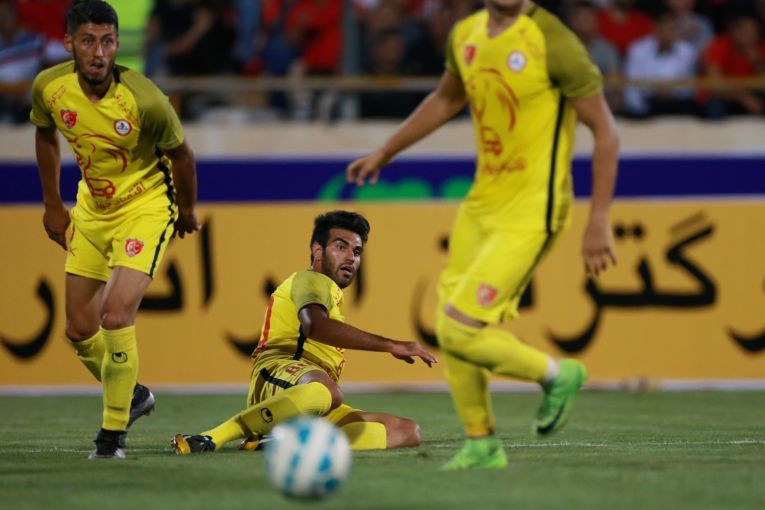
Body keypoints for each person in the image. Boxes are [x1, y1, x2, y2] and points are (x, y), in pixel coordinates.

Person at [347, 0, 619, 470]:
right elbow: (446, 99)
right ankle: (481, 443)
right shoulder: (466, 34)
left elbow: (607, 132)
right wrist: (387, 151)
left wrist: (599, 218)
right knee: (448, 326)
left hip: (533, 209)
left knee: (457, 327)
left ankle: (557, 374)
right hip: (481, 205)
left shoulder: (553, 40)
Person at [29, 0, 200, 459]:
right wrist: (53, 205)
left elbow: (183, 157)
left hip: (146, 206)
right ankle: (135, 394)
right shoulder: (50, 87)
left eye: (107, 41)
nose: (99, 52)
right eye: (88, 41)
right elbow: (45, 136)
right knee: (79, 330)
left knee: (116, 315)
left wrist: (185, 211)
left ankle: (111, 437)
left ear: (118, 44)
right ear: (70, 44)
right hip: (91, 210)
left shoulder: (145, 98)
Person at [172, 210, 437, 454]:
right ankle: (213, 437)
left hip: (311, 399)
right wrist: (391, 345)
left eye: (357, 251)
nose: (351, 257)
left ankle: (286, 441)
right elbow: (315, 326)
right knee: (329, 391)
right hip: (279, 376)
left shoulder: (330, 293)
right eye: (341, 247)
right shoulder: (309, 280)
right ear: (317, 251)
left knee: (406, 431)